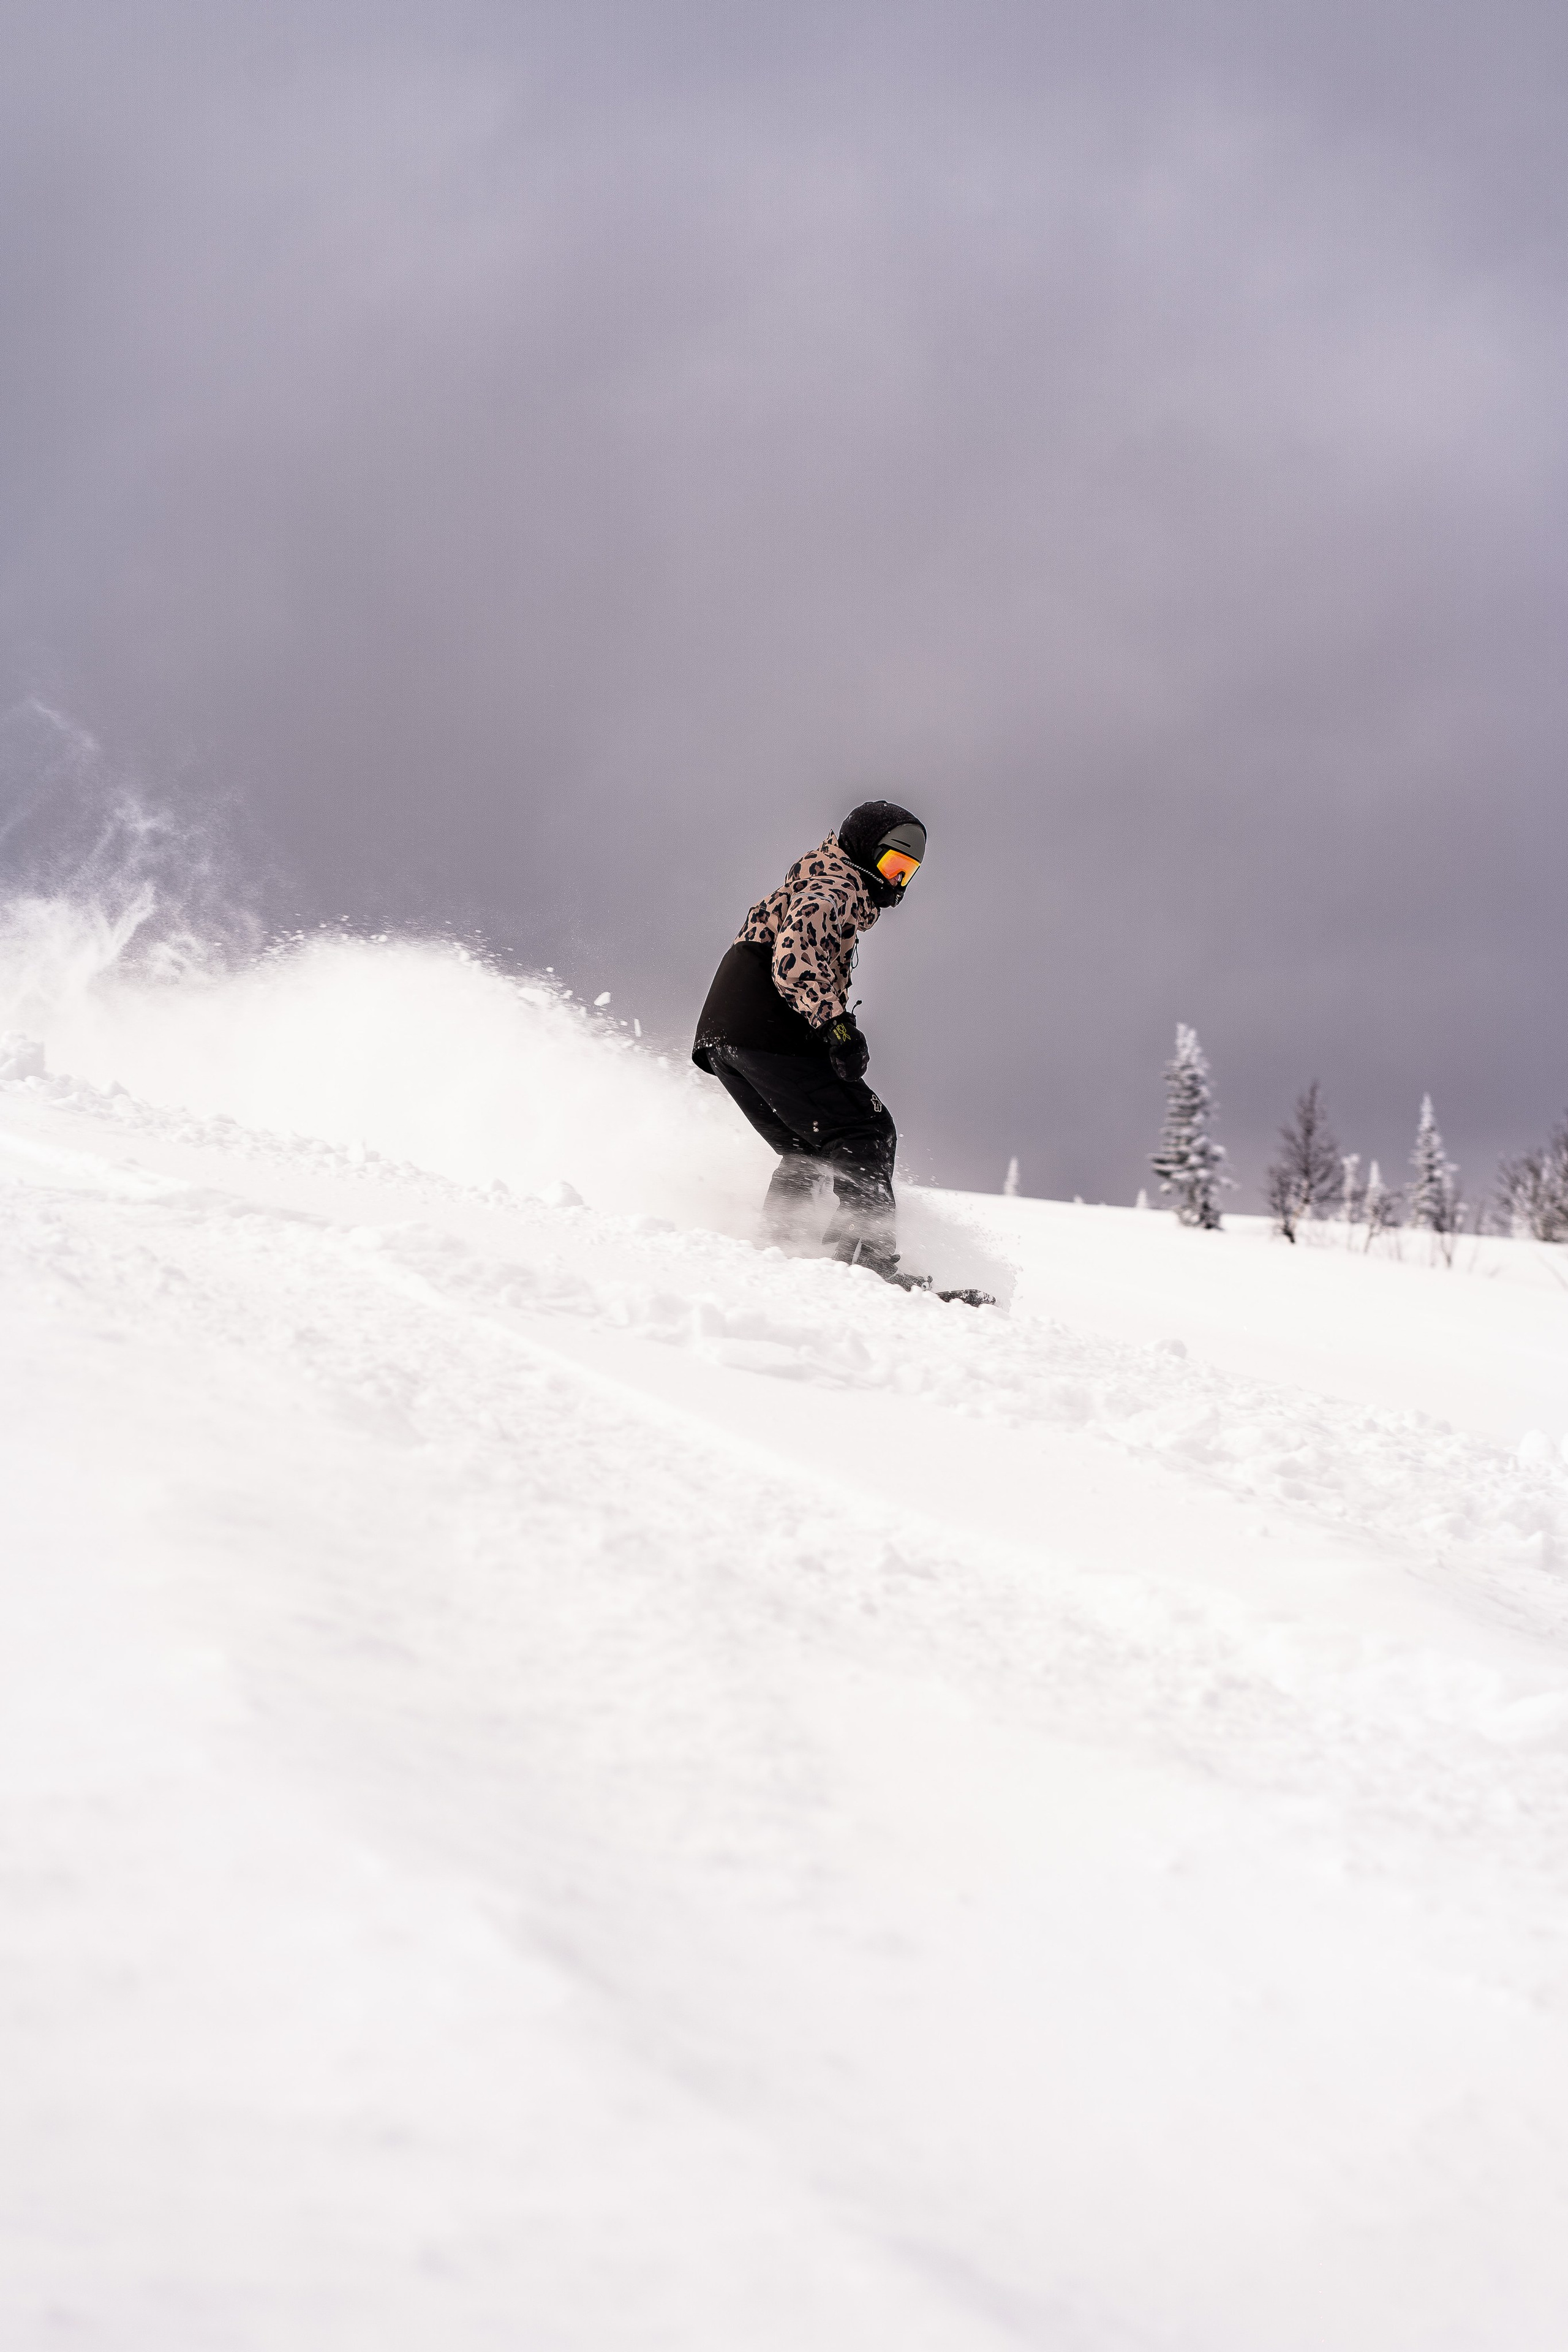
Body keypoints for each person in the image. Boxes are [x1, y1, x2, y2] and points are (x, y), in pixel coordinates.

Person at [692, 799, 926, 1281]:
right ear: (864, 851)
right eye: (892, 864)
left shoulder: (816, 881)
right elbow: (793, 958)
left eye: (907, 871)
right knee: (864, 1132)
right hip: (766, 1028)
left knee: (810, 1150)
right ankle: (864, 1267)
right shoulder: (832, 887)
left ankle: (781, 1250)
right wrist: (835, 1025)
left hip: (728, 1036)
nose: (897, 880)